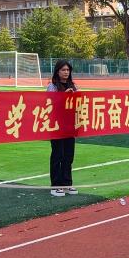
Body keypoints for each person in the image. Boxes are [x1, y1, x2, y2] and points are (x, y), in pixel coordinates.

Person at [46, 60, 78, 197]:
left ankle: (67, 183)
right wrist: (64, 95)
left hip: (70, 126)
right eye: (63, 70)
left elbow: (80, 103)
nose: (66, 72)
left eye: (68, 70)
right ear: (57, 71)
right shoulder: (52, 86)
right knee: (57, 155)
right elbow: (50, 104)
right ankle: (56, 185)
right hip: (56, 126)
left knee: (69, 155)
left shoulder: (74, 86)